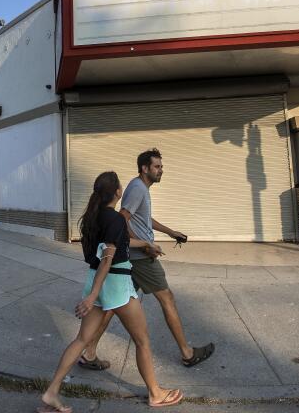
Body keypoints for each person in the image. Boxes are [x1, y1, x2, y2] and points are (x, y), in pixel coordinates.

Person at [38, 171, 183, 413]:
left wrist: (147, 244)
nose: (122, 190)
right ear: (116, 192)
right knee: (142, 340)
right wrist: (93, 297)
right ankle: (156, 394)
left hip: (96, 279)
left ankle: (51, 392)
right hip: (115, 284)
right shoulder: (115, 219)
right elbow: (108, 257)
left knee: (82, 340)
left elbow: (115, 245)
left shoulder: (93, 218)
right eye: (120, 187)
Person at [80, 149, 215, 372]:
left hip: (133, 258)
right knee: (167, 298)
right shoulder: (138, 189)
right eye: (157, 166)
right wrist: (145, 245)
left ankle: (89, 351)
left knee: (114, 306)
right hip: (140, 259)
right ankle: (187, 353)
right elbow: (122, 219)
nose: (161, 170)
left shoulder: (139, 188)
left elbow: (143, 218)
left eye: (161, 166)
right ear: (145, 168)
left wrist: (171, 232)